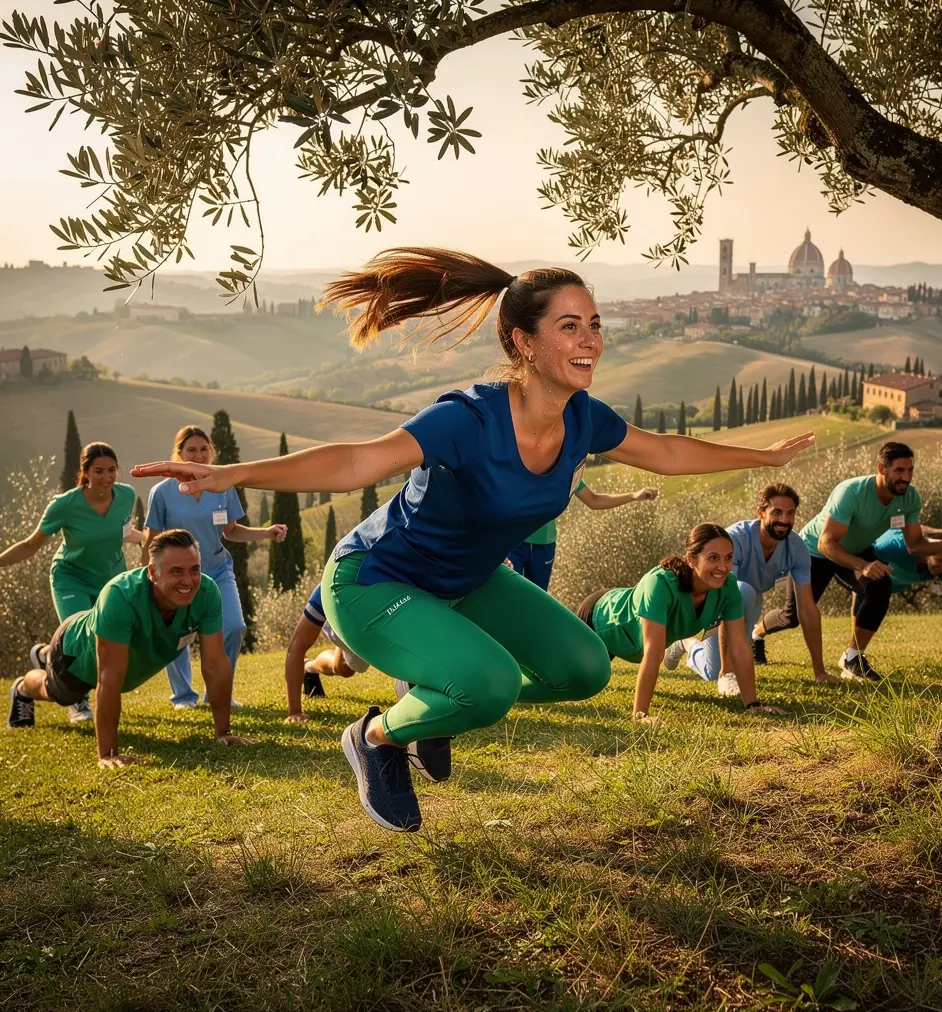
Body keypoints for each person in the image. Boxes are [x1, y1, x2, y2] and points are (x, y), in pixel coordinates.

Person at [133, 247, 813, 833]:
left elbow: (663, 450)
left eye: (596, 325)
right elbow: (355, 463)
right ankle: (375, 736)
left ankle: (442, 706)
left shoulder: (585, 420)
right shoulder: (468, 418)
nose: (591, 340)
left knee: (583, 668)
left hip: (469, 582)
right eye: (569, 326)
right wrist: (228, 470)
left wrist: (766, 459)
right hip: (375, 582)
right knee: (484, 684)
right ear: (522, 342)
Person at [8, 529, 255, 765]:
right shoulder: (120, 596)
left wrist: (223, 732)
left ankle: (44, 655)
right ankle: (23, 686)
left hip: (105, 639)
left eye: (194, 570)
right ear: (153, 572)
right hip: (74, 651)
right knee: (57, 693)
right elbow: (109, 679)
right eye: (176, 571)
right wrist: (108, 754)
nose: (188, 581)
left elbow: (214, 664)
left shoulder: (207, 592)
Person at [757, 441, 942, 681]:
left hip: (857, 549)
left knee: (881, 585)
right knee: (793, 618)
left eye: (910, 470)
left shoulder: (909, 498)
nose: (906, 477)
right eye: (899, 471)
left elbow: (915, 545)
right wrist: (863, 566)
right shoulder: (852, 492)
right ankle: (756, 634)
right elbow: (826, 544)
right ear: (881, 469)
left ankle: (852, 657)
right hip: (815, 552)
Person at [142, 426, 288, 709]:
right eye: (191, 450)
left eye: (203, 449)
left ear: (211, 452)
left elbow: (231, 531)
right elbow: (151, 539)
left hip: (218, 570)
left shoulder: (223, 486)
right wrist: (147, 578)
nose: (198, 455)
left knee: (234, 627)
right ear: (179, 454)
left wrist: (265, 532)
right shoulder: (161, 492)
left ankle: (218, 693)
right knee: (176, 634)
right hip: (176, 577)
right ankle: (183, 697)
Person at [0, 441, 142, 725]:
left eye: (112, 470)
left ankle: (45, 654)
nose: (107, 477)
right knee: (80, 641)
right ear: (85, 472)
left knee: (110, 638)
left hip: (111, 579)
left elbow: (124, 532)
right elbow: (30, 545)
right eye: (99, 471)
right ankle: (78, 701)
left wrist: (151, 538)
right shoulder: (65, 505)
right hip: (71, 579)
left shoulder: (126, 495)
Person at [579, 524, 784, 720]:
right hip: (600, 619)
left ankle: (683, 644)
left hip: (635, 643)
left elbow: (739, 647)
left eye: (728, 558)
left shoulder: (727, 586)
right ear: (691, 560)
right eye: (713, 558)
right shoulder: (659, 584)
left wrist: (753, 705)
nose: (723, 567)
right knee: (580, 680)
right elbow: (653, 654)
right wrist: (640, 715)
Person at [663, 483, 842, 691]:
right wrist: (728, 673)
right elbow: (726, 594)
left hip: (749, 602)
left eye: (790, 513)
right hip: (717, 599)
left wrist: (819, 672)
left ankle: (690, 643)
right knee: (715, 671)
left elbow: (808, 609)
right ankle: (698, 651)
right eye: (777, 512)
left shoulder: (797, 548)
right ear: (760, 513)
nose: (784, 520)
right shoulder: (735, 539)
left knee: (748, 596)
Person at [507, 481, 658, 590]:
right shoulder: (519, 461)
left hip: (545, 545)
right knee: (508, 591)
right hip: (513, 542)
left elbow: (594, 500)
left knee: (537, 601)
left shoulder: (567, 470)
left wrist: (633, 495)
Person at [873, 526, 942, 671]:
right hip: (871, 576)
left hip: (897, 583)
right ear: (928, 550)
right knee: (869, 600)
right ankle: (853, 657)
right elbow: (859, 561)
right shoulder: (893, 546)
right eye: (940, 561)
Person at [283, 582, 370, 722]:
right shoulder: (328, 588)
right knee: (345, 668)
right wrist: (295, 712)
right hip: (346, 623)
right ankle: (309, 666)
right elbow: (296, 647)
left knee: (344, 668)